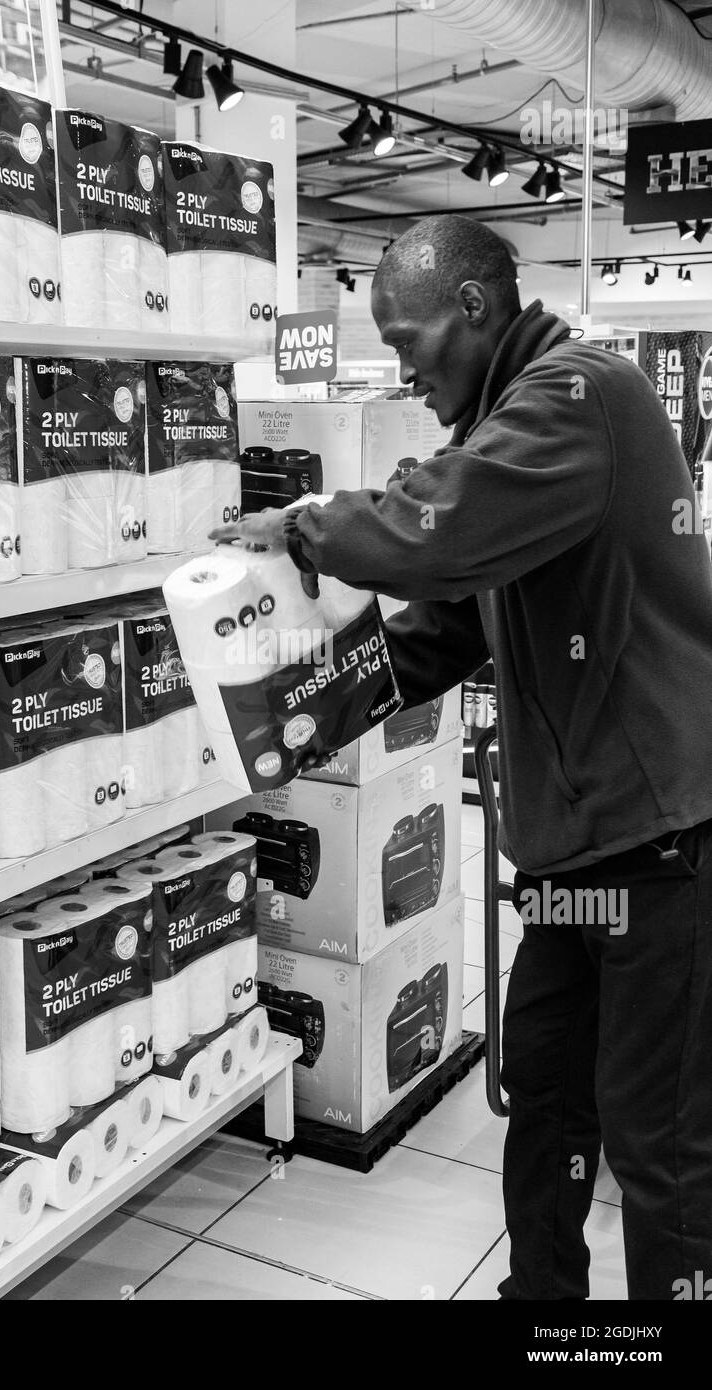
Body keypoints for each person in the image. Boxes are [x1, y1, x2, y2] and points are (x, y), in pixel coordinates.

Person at [210, 214, 712, 1302]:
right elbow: (445, 627)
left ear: (475, 308)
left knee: (659, 1150)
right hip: (574, 867)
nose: (401, 369)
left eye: (406, 340)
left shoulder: (583, 395)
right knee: (543, 1099)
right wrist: (301, 713)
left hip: (658, 856)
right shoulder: (502, 435)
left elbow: (437, 530)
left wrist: (302, 525)